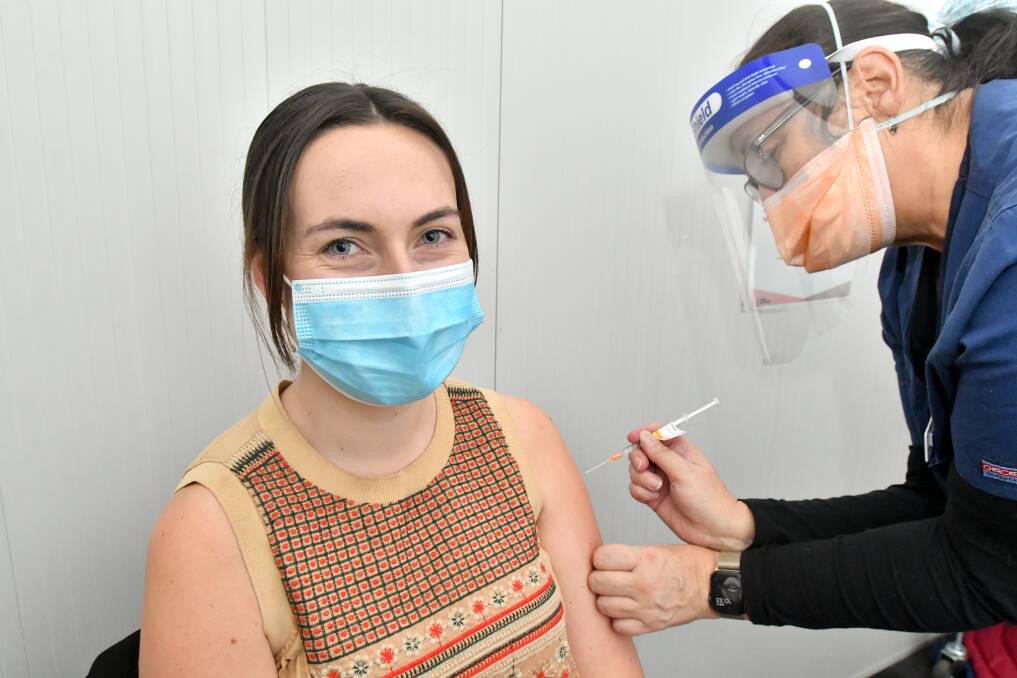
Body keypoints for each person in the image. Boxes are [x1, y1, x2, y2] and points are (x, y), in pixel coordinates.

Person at [140, 82, 642, 678]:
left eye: (433, 236)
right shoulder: (213, 529)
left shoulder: (521, 436)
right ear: (271, 279)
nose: (403, 284)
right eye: (345, 245)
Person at [589, 0, 1017, 657]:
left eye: (766, 154)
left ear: (872, 86)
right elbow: (941, 505)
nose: (768, 196)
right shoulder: (914, 263)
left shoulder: (1006, 251)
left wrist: (717, 586)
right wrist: (746, 526)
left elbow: (989, 568)